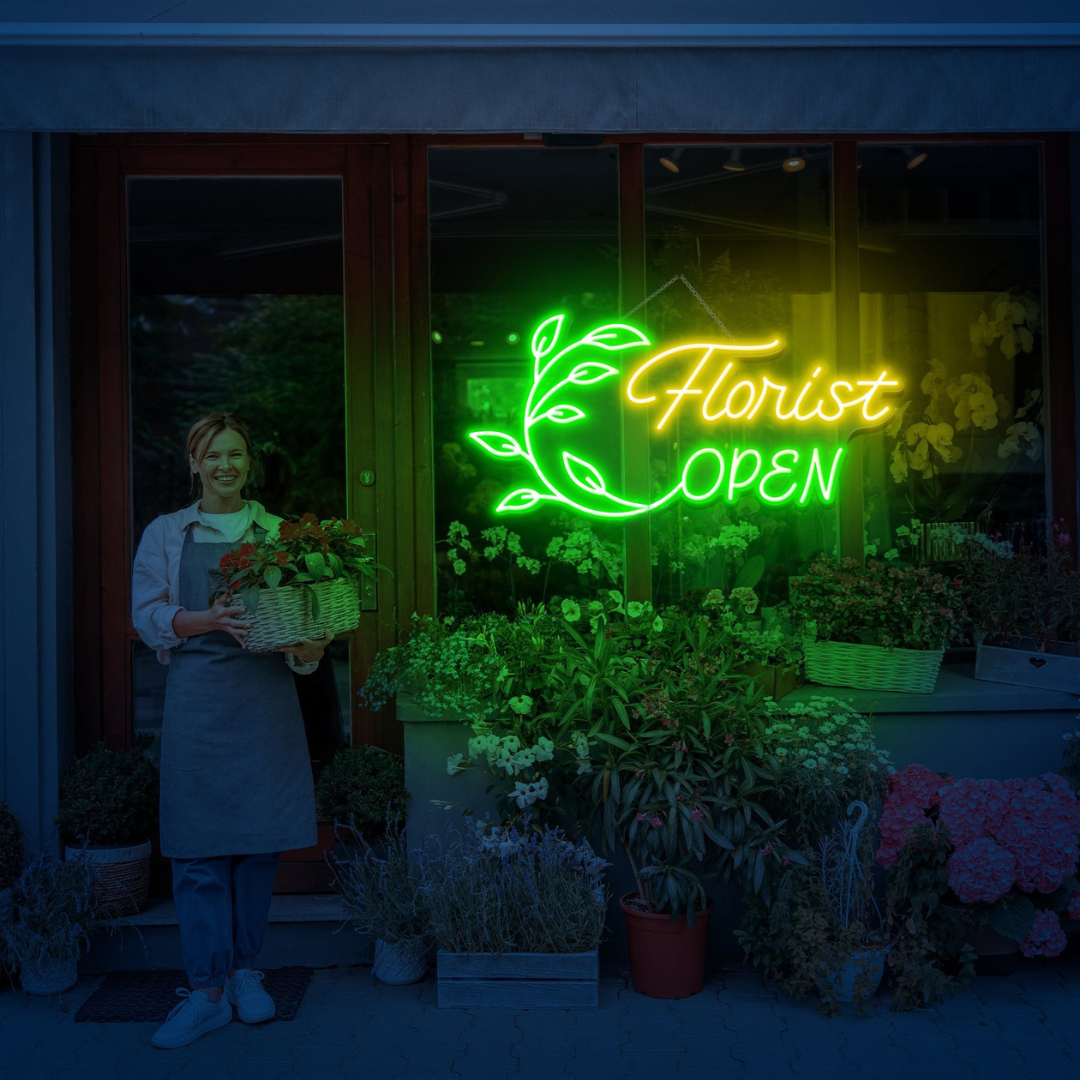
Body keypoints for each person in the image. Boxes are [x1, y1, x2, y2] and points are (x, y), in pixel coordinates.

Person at [131, 414, 331, 1050]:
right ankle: (206, 992)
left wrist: (309, 645)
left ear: (249, 463)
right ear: (194, 463)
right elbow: (147, 617)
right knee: (196, 849)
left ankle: (246, 973)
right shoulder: (168, 533)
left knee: (258, 846)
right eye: (212, 455)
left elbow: (305, 626)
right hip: (197, 701)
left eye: (236, 454)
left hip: (264, 698)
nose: (225, 465)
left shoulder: (277, 533)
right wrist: (209, 619)